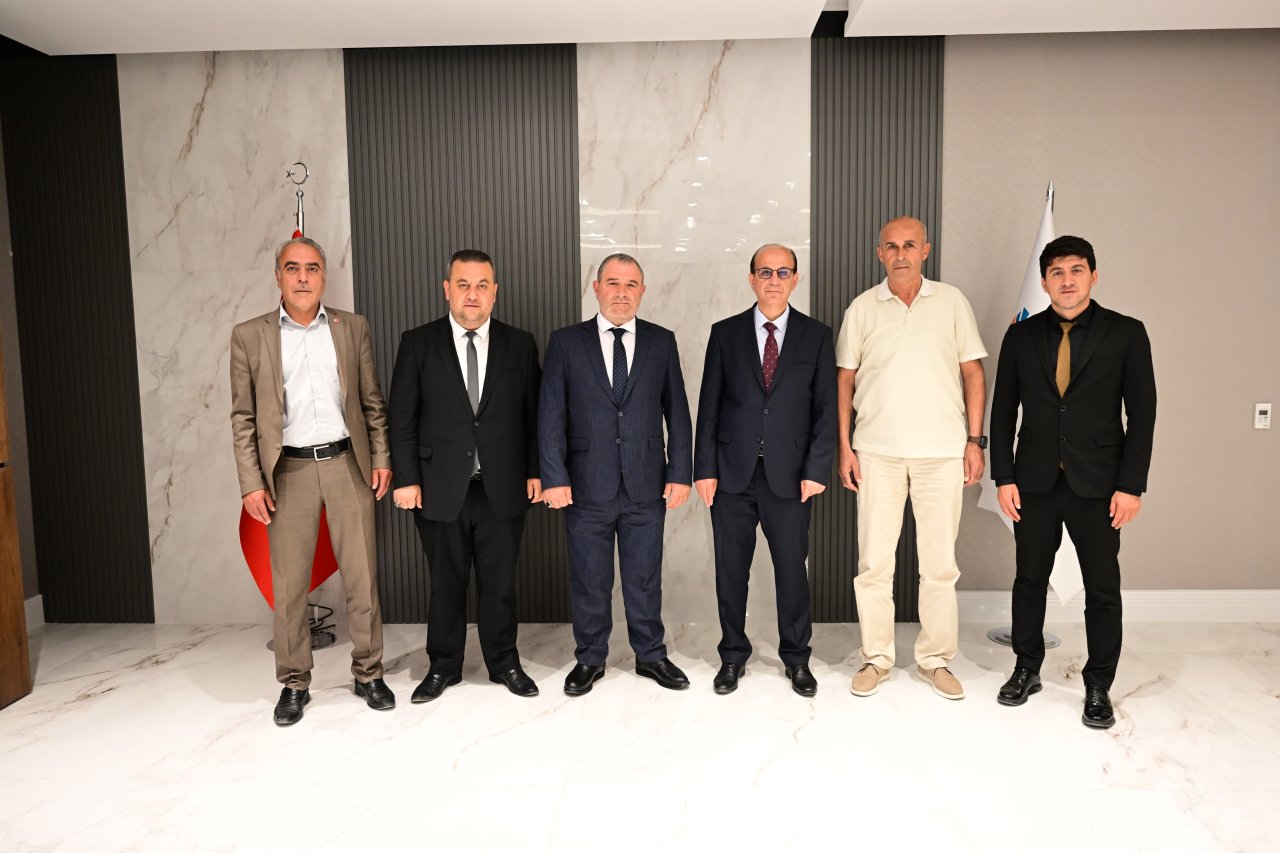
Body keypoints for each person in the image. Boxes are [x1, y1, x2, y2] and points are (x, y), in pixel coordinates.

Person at [990, 235, 1155, 729]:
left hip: (1101, 485)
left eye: (1076, 270)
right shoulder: (1021, 336)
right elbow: (1003, 411)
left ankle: (1098, 683)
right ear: (1044, 282)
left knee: (1102, 588)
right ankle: (1026, 668)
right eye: (1057, 272)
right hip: (1034, 481)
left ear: (1093, 276)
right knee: (1028, 581)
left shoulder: (1126, 333)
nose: (1067, 280)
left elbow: (1142, 415)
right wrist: (1004, 476)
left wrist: (1131, 485)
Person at [229, 236, 394, 726]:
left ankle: (369, 673)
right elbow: (242, 417)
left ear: (324, 276)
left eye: (312, 268)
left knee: (362, 578)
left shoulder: (351, 327)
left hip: (348, 465)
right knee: (289, 587)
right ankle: (294, 683)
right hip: (288, 472)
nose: (303, 277)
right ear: (278, 276)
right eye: (293, 268)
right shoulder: (249, 335)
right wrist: (251, 482)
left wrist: (381, 457)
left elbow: (372, 402)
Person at [836, 216, 987, 701]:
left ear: (925, 250)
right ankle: (876, 658)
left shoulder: (952, 302)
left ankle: (935, 660)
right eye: (891, 246)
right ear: (879, 253)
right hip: (876, 452)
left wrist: (975, 441)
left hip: (941, 453)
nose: (900, 253)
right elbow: (844, 380)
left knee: (939, 565)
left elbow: (972, 372)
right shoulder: (862, 308)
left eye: (909, 245)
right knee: (873, 565)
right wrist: (845, 447)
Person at [388, 249, 543, 703]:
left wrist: (536, 470)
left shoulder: (520, 344)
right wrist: (406, 478)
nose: (472, 294)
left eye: (481, 285)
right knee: (446, 585)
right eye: (463, 285)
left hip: (503, 487)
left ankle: (504, 663)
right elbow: (402, 419)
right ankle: (443, 666)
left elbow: (536, 417)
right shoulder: (418, 342)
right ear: (447, 290)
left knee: (500, 586)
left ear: (495, 292)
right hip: (438, 488)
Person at [539, 253, 693, 696]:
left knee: (644, 577)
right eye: (613, 283)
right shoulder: (566, 342)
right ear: (597, 288)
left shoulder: (661, 341)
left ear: (642, 291)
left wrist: (680, 472)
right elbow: (550, 415)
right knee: (590, 578)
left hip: (647, 483)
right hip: (585, 484)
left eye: (630, 285)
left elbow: (677, 412)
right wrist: (554, 477)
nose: (621, 293)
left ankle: (651, 655)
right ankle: (590, 658)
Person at [693, 244, 837, 697]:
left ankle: (797, 658)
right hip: (730, 475)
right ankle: (732, 656)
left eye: (783, 272)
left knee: (792, 571)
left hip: (791, 478)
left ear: (796, 279)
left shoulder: (816, 336)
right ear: (752, 278)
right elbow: (709, 406)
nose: (774, 280)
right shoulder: (725, 333)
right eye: (765, 272)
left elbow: (826, 409)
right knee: (730, 571)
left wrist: (817, 468)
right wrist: (704, 469)